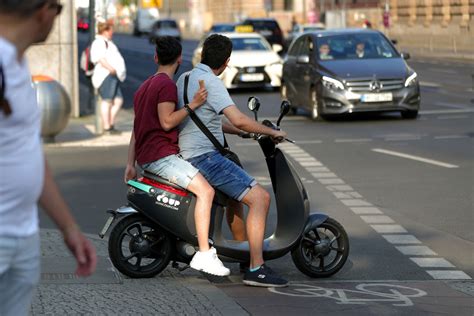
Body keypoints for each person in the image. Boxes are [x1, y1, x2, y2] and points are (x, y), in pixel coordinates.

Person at [0, 1, 97, 315]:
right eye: (59, 8)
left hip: (23, 236)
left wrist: (69, 228)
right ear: (44, 11)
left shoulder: (17, 64)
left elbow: (29, 154)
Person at [176, 34, 289, 288]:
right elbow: (238, 117)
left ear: (204, 54)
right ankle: (256, 270)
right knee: (260, 198)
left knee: (237, 202)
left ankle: (245, 256)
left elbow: (205, 121)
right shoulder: (212, 83)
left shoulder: (184, 79)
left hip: (189, 154)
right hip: (205, 158)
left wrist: (243, 132)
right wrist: (271, 131)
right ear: (226, 62)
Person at [123, 36, 230, 277]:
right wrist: (194, 104)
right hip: (162, 156)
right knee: (207, 192)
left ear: (155, 57)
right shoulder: (166, 85)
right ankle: (204, 254)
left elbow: (136, 129)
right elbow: (167, 121)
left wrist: (130, 163)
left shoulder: (144, 86)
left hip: (146, 157)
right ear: (180, 58)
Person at [91, 20, 126, 135]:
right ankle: (107, 127)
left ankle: (110, 123)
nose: (112, 32)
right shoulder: (99, 42)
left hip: (112, 75)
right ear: (105, 31)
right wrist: (111, 69)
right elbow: (99, 58)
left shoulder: (106, 42)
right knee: (107, 101)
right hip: (106, 75)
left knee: (118, 100)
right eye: (110, 30)